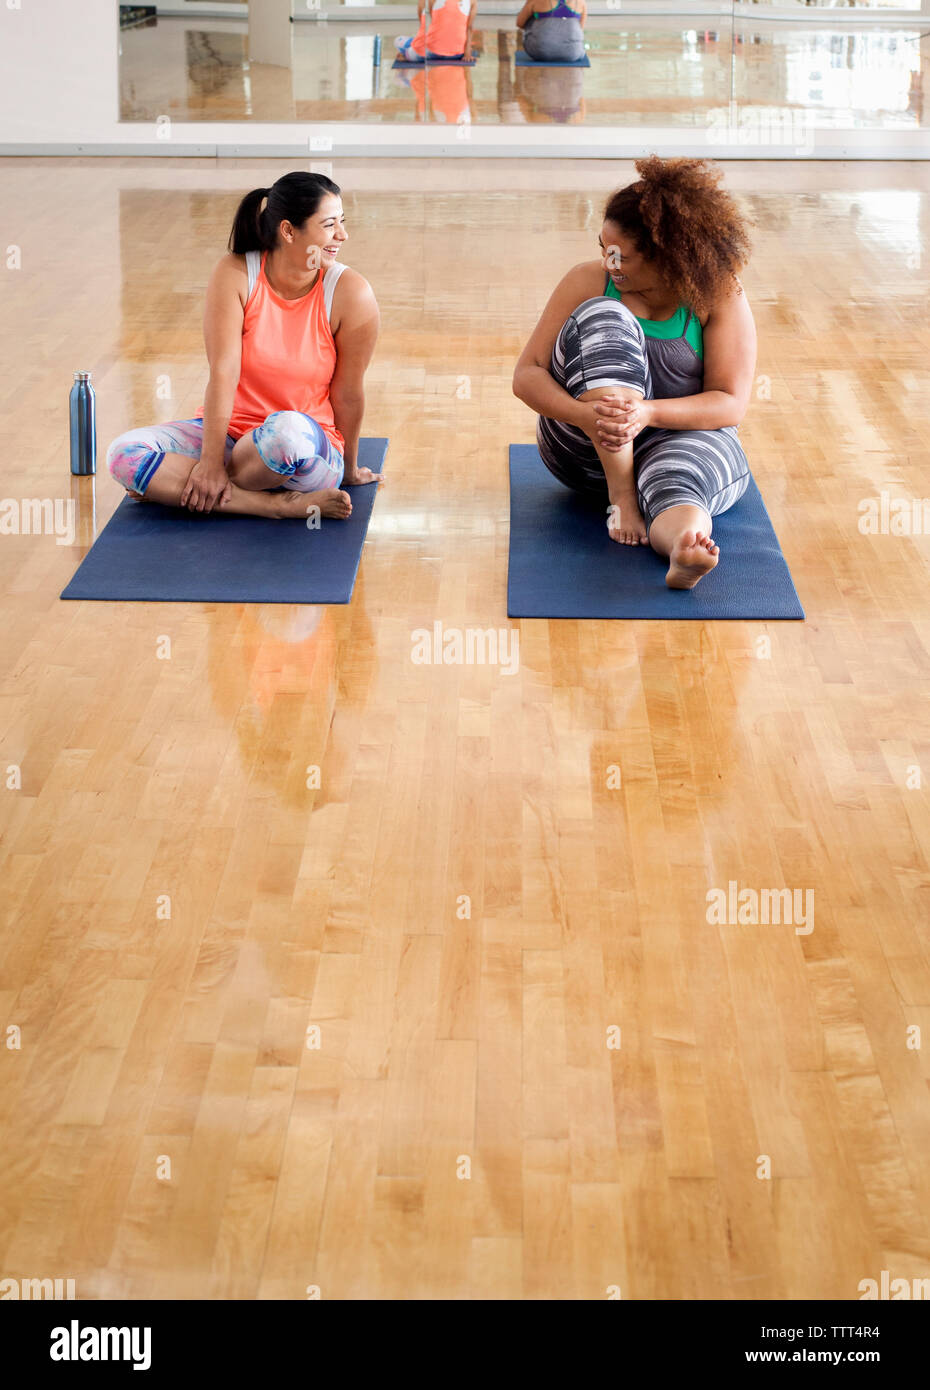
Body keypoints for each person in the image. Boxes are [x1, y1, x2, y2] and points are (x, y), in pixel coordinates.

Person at [512, 156, 757, 590]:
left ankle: (684, 546)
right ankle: (623, 496)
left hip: (676, 438)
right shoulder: (587, 281)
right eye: (603, 247)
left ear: (670, 254)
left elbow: (730, 403)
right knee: (606, 317)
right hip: (585, 449)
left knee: (679, 479)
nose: (609, 263)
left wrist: (647, 413)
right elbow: (527, 376)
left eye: (621, 254)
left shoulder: (719, 294)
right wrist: (587, 415)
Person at [107, 172, 382, 521]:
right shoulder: (237, 273)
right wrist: (208, 463)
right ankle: (271, 505)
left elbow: (348, 392)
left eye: (341, 222)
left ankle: (183, 488)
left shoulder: (351, 293)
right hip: (234, 439)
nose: (342, 235)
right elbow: (223, 372)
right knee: (123, 453)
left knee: (286, 434)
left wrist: (350, 469)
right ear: (288, 231)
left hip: (307, 450)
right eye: (329, 225)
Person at [394, 0, 476, 64]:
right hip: (457, 55)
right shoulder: (472, 1)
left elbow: (431, 23)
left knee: (398, 40)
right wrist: (467, 51)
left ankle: (407, 55)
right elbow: (469, 27)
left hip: (431, 52)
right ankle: (409, 53)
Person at [516, 0, 586, 65]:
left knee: (532, 18)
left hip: (540, 52)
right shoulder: (580, 1)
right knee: (573, 24)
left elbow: (520, 23)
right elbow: (580, 28)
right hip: (572, 53)